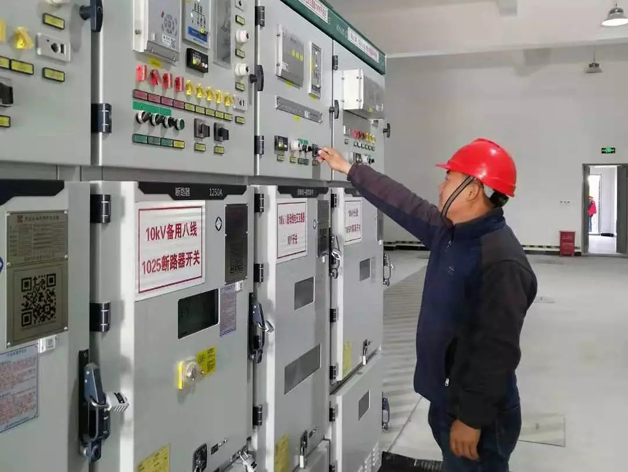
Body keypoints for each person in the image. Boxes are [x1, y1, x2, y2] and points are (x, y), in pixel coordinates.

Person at [318, 139, 538, 472]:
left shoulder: (501, 261)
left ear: (472, 190)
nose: (441, 186)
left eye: (448, 178)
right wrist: (350, 169)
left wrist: (471, 419)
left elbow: (497, 351)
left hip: (478, 413)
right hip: (449, 397)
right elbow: (403, 203)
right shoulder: (452, 233)